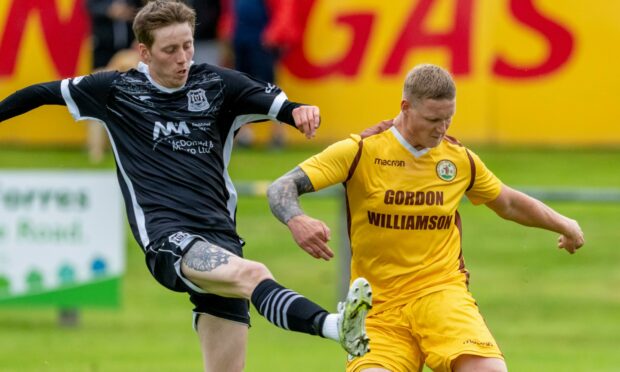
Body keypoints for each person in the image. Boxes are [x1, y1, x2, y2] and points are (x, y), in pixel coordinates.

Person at [0, 1, 372, 371]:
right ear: (144, 52)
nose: (183, 58)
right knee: (254, 273)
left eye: (188, 45)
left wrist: (300, 111)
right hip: (167, 238)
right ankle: (336, 326)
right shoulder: (115, 90)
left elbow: (282, 106)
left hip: (221, 237)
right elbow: (37, 94)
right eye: (170, 50)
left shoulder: (217, 84)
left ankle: (336, 326)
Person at [267, 64, 585, 372]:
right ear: (406, 107)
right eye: (433, 119)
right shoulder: (361, 152)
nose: (442, 128)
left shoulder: (458, 160)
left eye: (448, 118)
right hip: (379, 309)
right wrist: (296, 219)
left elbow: (509, 203)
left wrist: (564, 224)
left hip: (442, 295)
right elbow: (282, 186)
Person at [219, 0, 301, 148]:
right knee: (241, 87)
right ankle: (245, 134)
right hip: (240, 41)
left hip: (261, 42)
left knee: (270, 87)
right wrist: (227, 33)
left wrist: (273, 35)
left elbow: (283, 10)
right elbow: (230, 12)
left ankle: (278, 134)